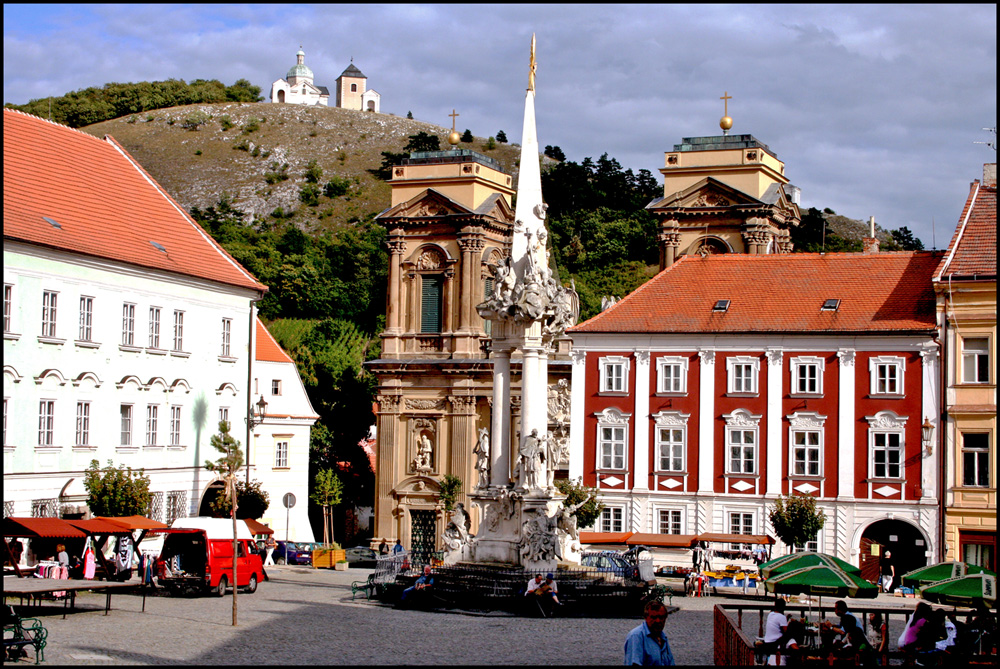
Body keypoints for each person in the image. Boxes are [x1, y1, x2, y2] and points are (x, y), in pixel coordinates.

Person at [624, 599, 675, 666]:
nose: (658, 621)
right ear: (646, 617)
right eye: (654, 617)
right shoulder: (636, 636)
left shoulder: (663, 637)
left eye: (661, 617)